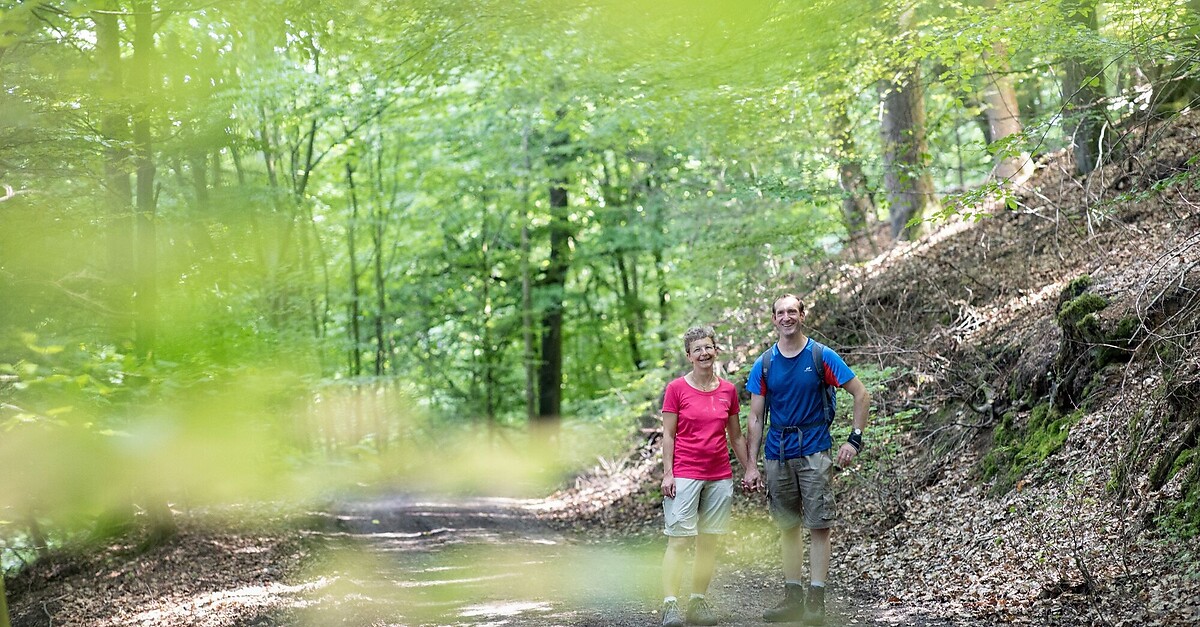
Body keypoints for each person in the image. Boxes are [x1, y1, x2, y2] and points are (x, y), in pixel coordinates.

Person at [744, 294, 870, 626]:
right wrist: (751, 465)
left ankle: (817, 600)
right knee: (787, 527)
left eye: (792, 312)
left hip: (815, 451)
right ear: (773, 319)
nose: (787, 317)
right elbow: (756, 418)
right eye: (780, 313)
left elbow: (861, 393)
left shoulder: (819, 355)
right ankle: (793, 599)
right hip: (777, 454)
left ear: (802, 315)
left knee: (819, 526)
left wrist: (854, 440)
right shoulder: (765, 363)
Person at [659, 326, 760, 627]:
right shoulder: (676, 389)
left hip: (719, 475)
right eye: (697, 349)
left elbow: (737, 435)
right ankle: (669, 605)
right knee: (678, 541)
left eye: (708, 347)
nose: (704, 353)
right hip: (685, 473)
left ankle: (697, 602)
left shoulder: (727, 391)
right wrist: (668, 473)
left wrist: (750, 468)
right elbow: (668, 435)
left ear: (716, 351)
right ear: (689, 355)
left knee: (708, 542)